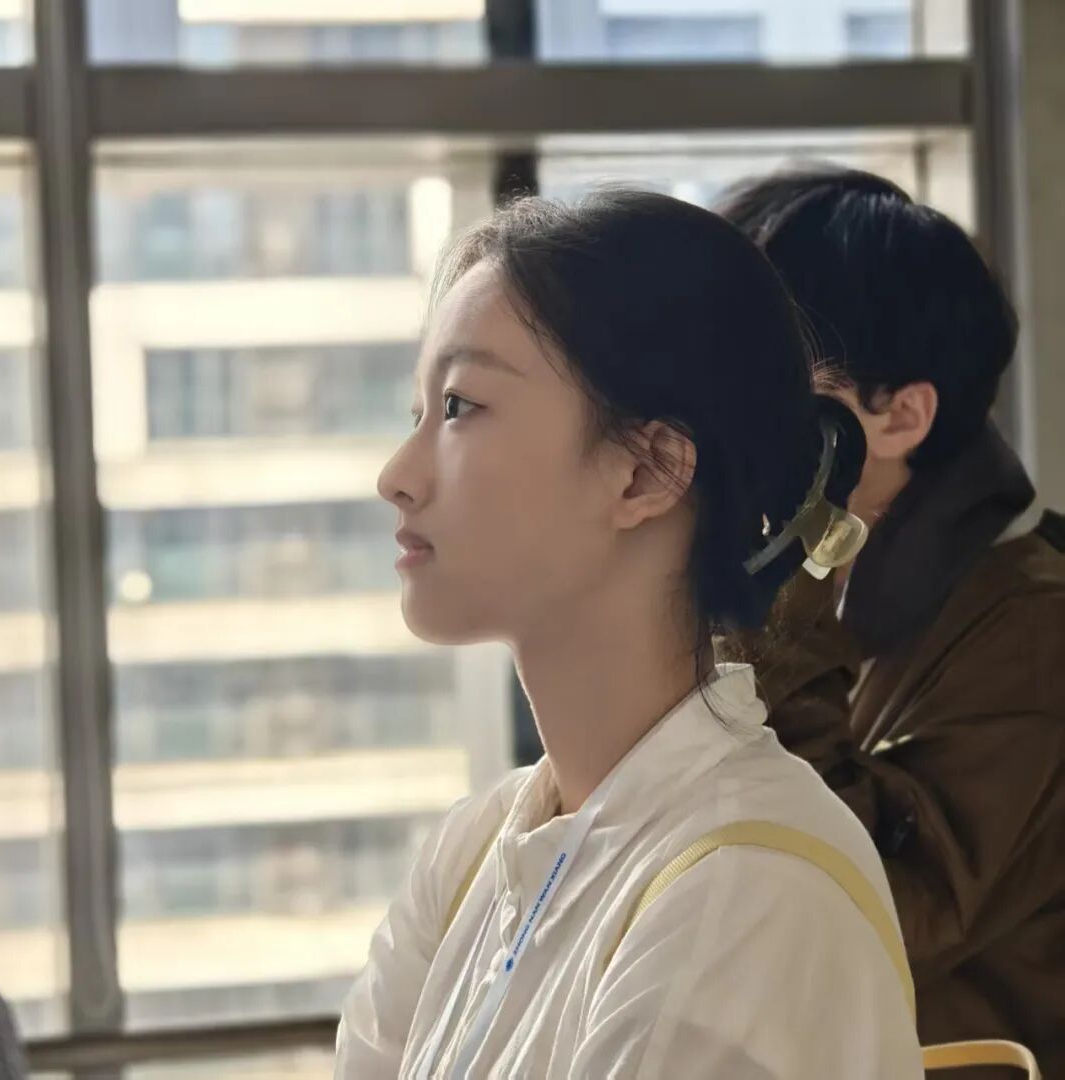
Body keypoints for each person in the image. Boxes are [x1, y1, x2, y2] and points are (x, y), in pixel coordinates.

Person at [335, 190, 922, 1079]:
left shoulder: (746, 888)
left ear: (646, 472)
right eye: (417, 412)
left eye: (459, 407)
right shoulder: (472, 855)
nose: (397, 476)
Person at [717, 167, 1065, 1075]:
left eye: (769, 379)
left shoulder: (1034, 630)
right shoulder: (846, 577)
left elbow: (874, 904)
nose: (726, 417)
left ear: (900, 415)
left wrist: (760, 619)